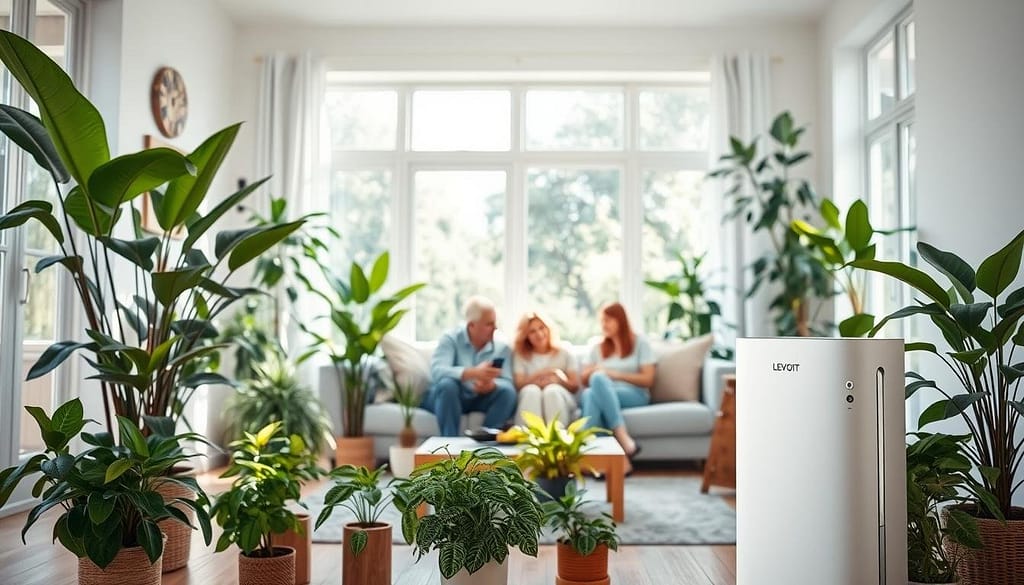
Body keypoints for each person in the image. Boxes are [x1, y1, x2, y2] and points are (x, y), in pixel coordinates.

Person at [422, 295, 517, 436]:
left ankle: (484, 442)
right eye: (489, 324)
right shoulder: (450, 339)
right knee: (447, 385)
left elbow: (508, 382)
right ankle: (450, 445)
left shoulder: (502, 347)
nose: (495, 328)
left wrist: (492, 386)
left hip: (480, 398)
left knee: (508, 393)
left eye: (495, 323)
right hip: (450, 397)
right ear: (471, 325)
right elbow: (438, 371)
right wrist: (472, 373)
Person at [580, 302, 652, 460]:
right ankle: (621, 455)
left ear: (621, 320)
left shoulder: (640, 343)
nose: (604, 325)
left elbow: (648, 379)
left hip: (634, 394)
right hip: (604, 393)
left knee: (597, 384)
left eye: (608, 320)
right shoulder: (597, 347)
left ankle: (590, 454)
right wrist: (596, 369)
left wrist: (613, 374)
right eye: (602, 321)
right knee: (592, 393)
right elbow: (583, 379)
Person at [511, 311, 580, 426]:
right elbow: (518, 385)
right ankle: (527, 437)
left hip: (559, 397)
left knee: (551, 390)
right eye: (532, 331)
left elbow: (575, 387)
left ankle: (558, 436)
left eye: (541, 328)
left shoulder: (565, 351)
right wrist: (538, 376)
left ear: (548, 328)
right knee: (531, 390)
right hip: (532, 397)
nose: (539, 334)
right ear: (525, 336)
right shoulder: (520, 355)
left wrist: (558, 377)